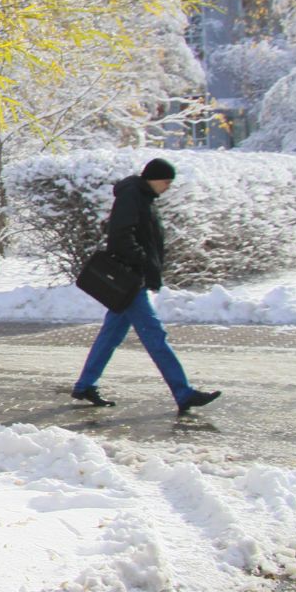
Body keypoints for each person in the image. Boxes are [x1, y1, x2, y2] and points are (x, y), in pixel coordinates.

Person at [70, 157, 221, 414]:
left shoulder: (142, 197)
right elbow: (120, 235)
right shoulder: (132, 196)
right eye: (166, 182)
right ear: (152, 179)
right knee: (155, 336)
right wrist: (143, 262)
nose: (168, 187)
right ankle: (183, 393)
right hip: (130, 278)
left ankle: (85, 385)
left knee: (111, 335)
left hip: (134, 277)